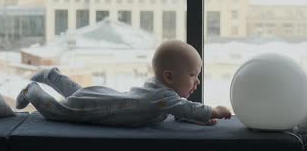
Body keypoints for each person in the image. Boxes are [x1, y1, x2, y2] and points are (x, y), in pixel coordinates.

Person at [16, 40, 232, 126]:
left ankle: (53, 76)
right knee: (59, 111)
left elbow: (178, 111)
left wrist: (196, 121)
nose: (198, 81)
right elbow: (186, 107)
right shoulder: (163, 97)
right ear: (169, 77)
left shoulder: (160, 92)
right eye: (193, 75)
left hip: (104, 98)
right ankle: (33, 91)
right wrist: (212, 112)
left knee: (78, 94)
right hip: (102, 106)